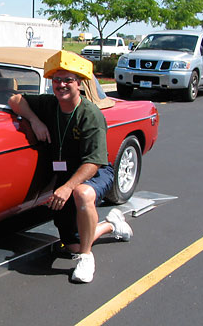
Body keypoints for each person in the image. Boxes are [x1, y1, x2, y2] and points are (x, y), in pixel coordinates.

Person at [8, 51, 132, 283]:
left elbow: (94, 162)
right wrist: (35, 120)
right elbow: (15, 100)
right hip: (66, 176)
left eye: (68, 80)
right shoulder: (49, 104)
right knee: (72, 243)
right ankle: (110, 224)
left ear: (79, 83)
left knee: (81, 193)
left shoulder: (90, 114)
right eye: (56, 80)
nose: (61, 85)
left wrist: (66, 188)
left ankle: (86, 259)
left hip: (95, 172)